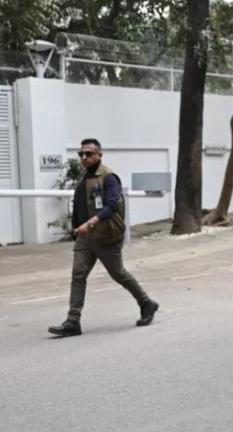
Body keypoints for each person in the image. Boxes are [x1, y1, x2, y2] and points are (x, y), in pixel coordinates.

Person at [48, 138, 159, 337]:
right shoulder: (85, 176)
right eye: (81, 154)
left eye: (89, 154)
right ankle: (73, 321)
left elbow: (111, 206)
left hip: (106, 235)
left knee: (118, 274)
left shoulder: (109, 177)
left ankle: (146, 303)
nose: (84, 157)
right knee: (78, 276)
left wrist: (89, 223)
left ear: (100, 155)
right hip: (85, 237)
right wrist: (77, 228)